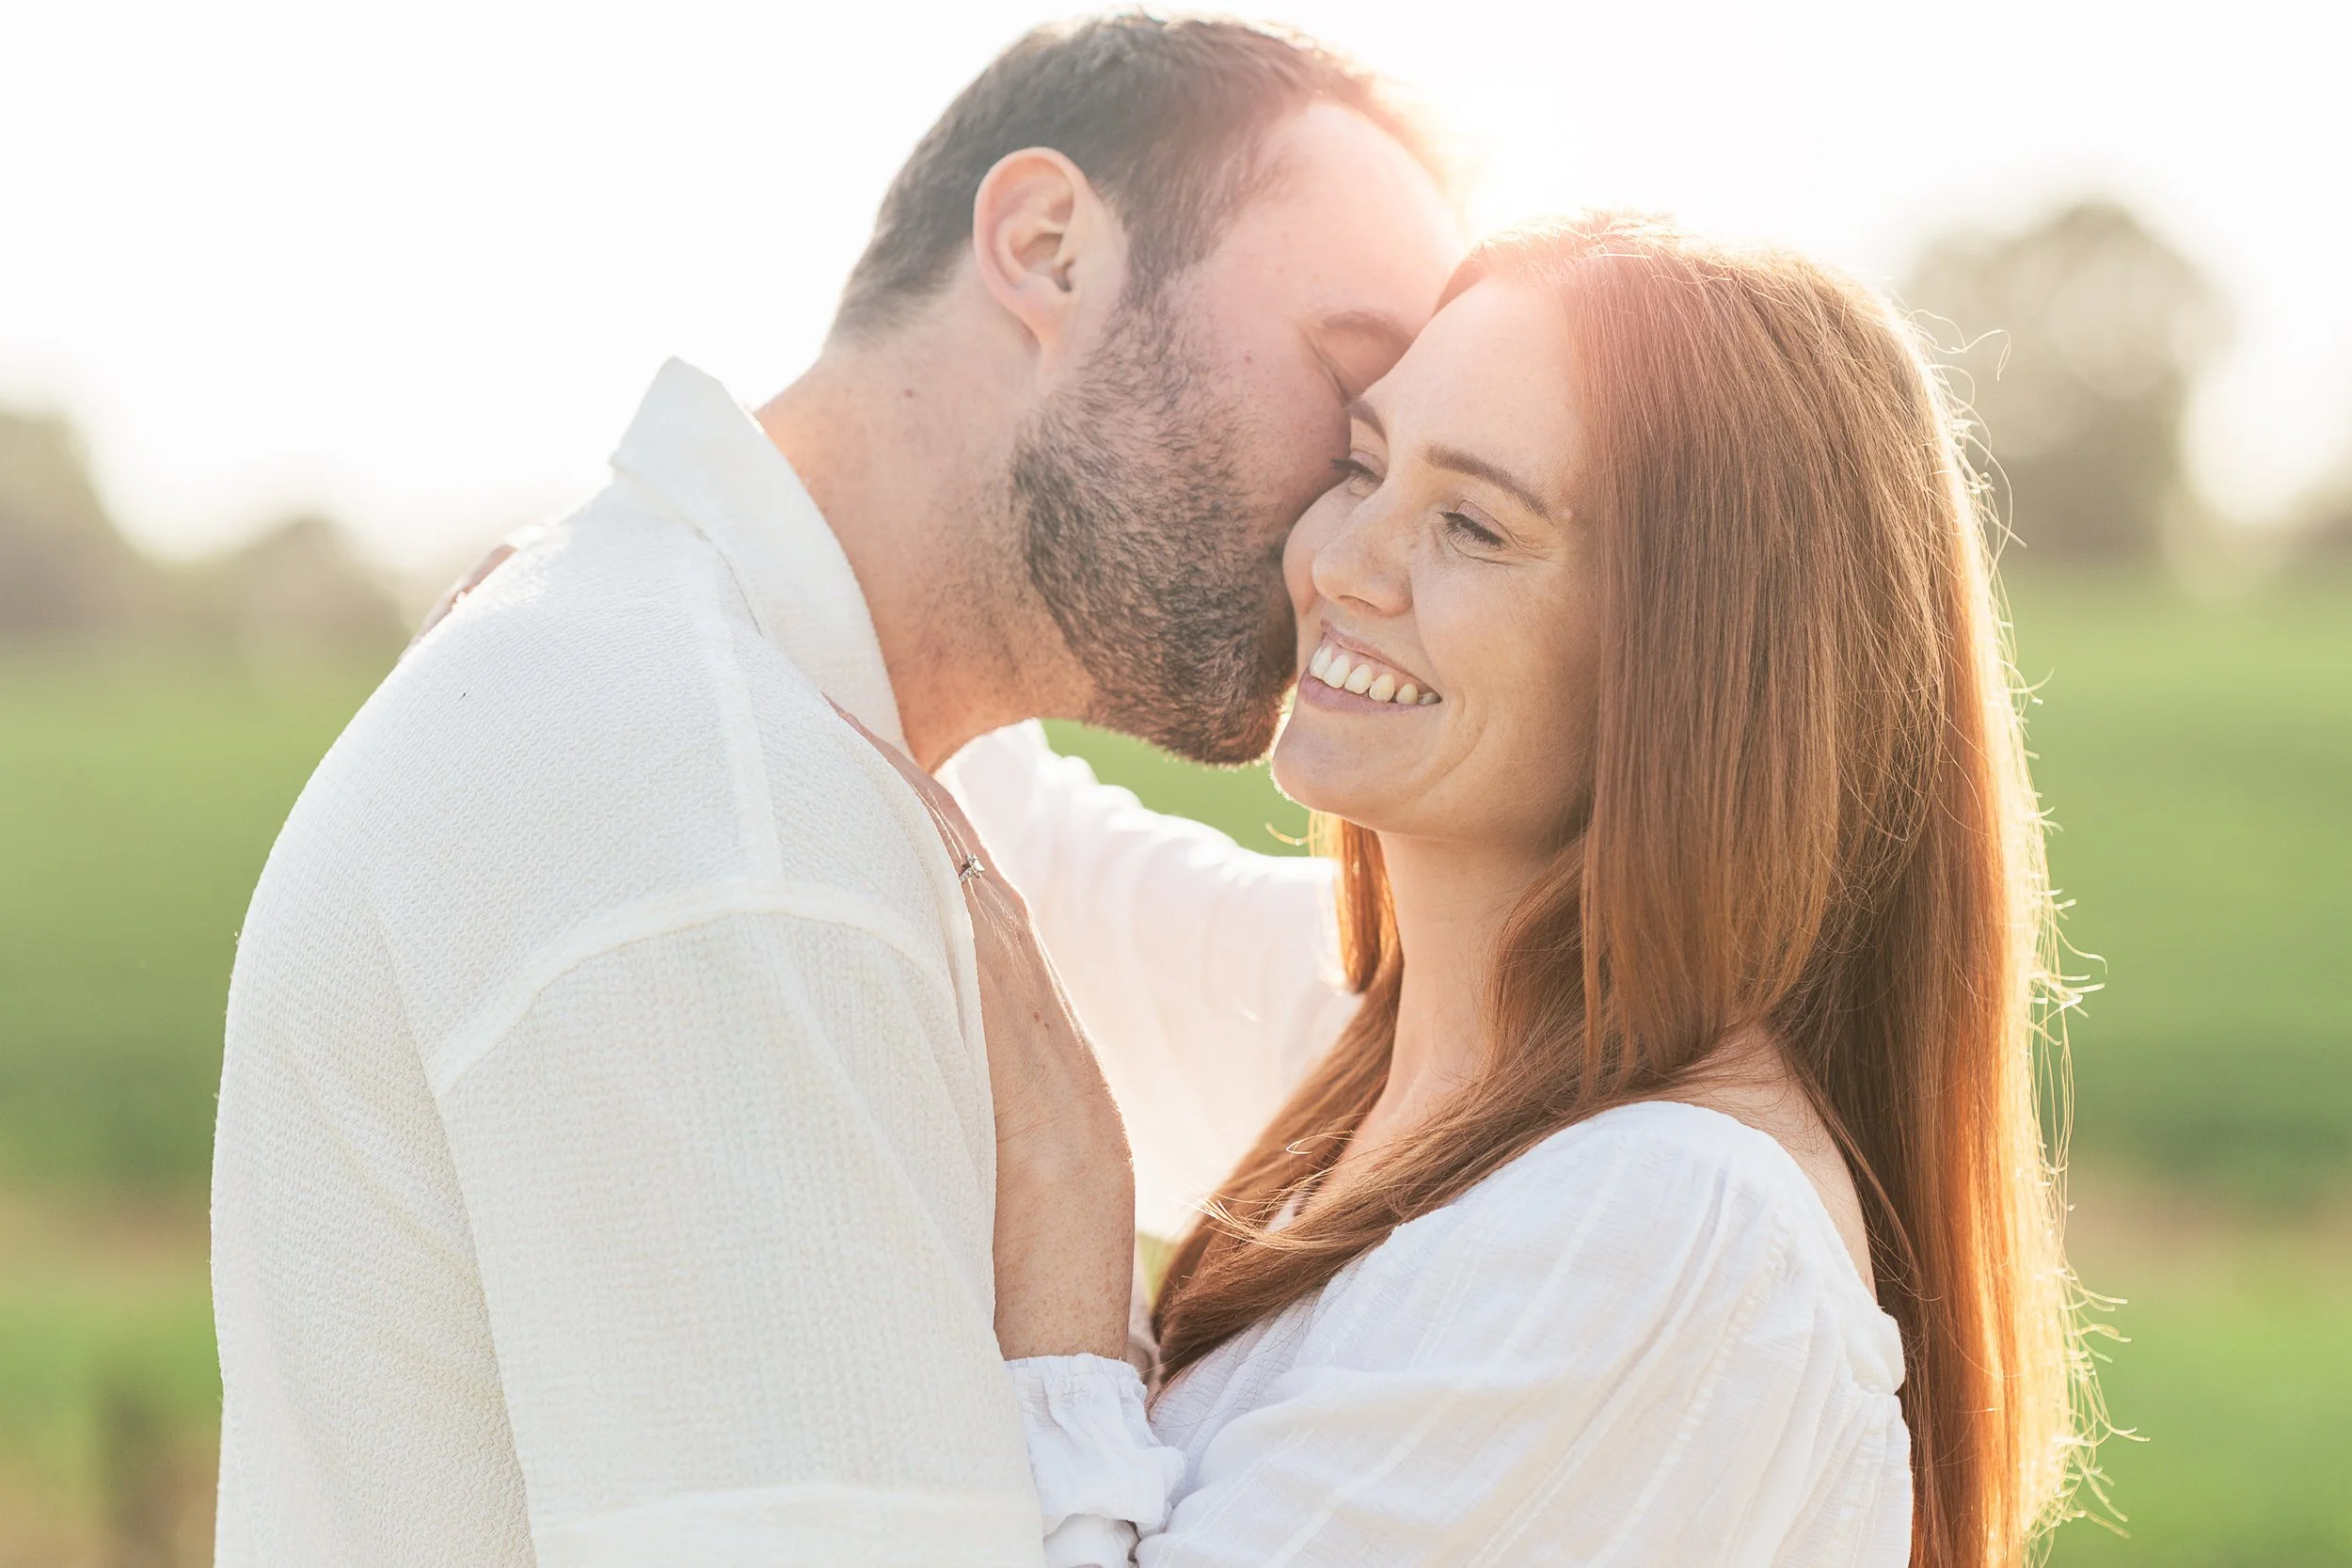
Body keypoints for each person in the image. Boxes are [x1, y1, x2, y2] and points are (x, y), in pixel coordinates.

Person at [207, 16, 1458, 1566]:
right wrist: (1073, 1341)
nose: (1351, 540)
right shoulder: (729, 826)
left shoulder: (763, 723)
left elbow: (1369, 1026)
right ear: (1048, 247)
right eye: (1349, 404)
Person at [914, 214, 2093, 1565]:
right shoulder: (1392, 1041)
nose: (1339, 565)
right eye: (1363, 464)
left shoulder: (1673, 1230)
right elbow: (1012, 839)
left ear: (1699, 661)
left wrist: (1070, 1272)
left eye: (1471, 524)